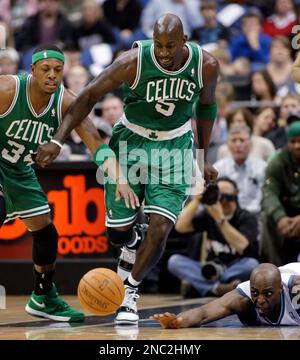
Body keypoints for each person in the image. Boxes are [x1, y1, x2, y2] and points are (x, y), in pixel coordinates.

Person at [35, 14, 219, 325]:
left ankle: (130, 292)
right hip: (131, 142)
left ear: (184, 41)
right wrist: (58, 138)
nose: (162, 52)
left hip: (174, 147)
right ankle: (131, 241)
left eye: (170, 46)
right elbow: (89, 94)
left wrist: (202, 156)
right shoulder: (132, 61)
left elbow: (206, 106)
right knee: (117, 233)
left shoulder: (207, 65)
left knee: (161, 226)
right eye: (158, 45)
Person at [0, 44, 137, 322]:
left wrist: (119, 177)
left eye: (58, 70)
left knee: (47, 233)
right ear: (32, 70)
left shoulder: (66, 103)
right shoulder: (7, 90)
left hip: (20, 170)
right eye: (45, 69)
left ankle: (43, 297)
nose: (52, 75)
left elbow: (96, 145)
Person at [169, 177, 259, 298]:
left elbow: (243, 247)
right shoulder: (208, 214)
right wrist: (197, 201)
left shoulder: (246, 217)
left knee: (252, 265)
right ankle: (219, 288)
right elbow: (180, 227)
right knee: (174, 261)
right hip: (210, 269)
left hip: (235, 267)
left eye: (228, 197)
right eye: (219, 196)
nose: (223, 201)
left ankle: (205, 286)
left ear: (235, 197)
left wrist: (220, 220)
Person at [151, 262, 300, 328]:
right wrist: (177, 321)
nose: (260, 299)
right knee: (242, 303)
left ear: (281, 289)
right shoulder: (245, 294)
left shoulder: (295, 291)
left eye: (267, 293)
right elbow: (204, 312)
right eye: (255, 293)